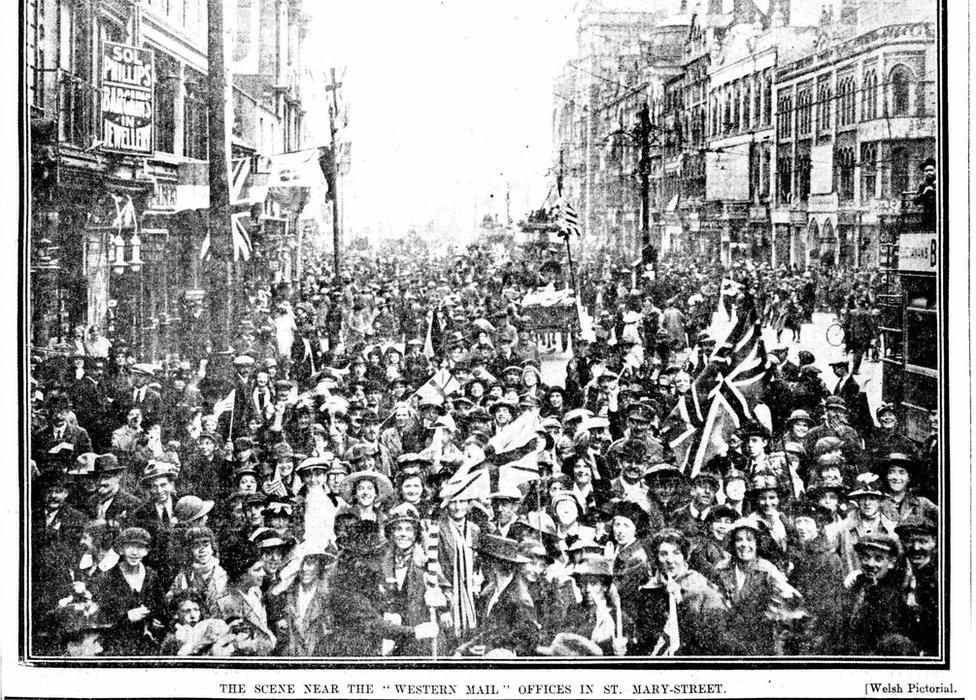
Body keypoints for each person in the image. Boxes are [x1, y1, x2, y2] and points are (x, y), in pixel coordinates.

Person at [325, 520, 439, 656]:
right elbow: (371, 623)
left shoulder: (361, 573)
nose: (378, 560)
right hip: (352, 651)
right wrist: (416, 632)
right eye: (375, 554)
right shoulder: (346, 578)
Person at [631, 528, 730, 656]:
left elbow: (711, 632)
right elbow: (643, 634)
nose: (670, 560)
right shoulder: (648, 589)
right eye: (664, 554)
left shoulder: (700, 585)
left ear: (684, 556)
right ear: (656, 557)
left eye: (676, 553)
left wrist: (679, 600)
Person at [92, 527, 167, 655]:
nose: (134, 553)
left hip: (148, 642)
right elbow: (101, 616)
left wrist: (155, 621)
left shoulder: (151, 576)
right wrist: (127, 617)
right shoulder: (110, 577)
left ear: (146, 551)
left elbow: (162, 609)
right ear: (121, 550)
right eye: (129, 547)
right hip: (116, 643)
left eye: (140, 548)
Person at [841, 534, 915, 655]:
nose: (870, 564)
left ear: (891, 562)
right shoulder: (856, 584)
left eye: (879, 559)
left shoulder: (892, 594)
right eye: (865, 557)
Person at [214, 538, 277, 655]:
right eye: (257, 570)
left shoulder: (255, 591)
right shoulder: (227, 602)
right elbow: (242, 644)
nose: (263, 573)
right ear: (241, 574)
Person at [279, 548, 335, 656]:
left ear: (320, 566)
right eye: (301, 564)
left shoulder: (327, 597)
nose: (304, 569)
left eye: (310, 563)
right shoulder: (286, 595)